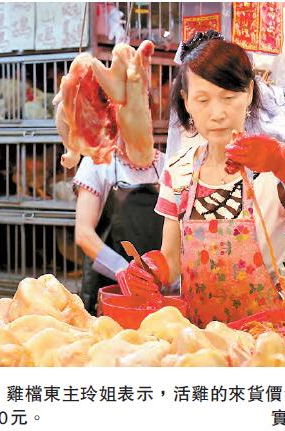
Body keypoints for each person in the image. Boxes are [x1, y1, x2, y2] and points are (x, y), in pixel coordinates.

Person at [117, 31, 285, 328]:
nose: (217, 113)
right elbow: (172, 259)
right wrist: (151, 270)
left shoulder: (271, 165)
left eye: (229, 97)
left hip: (266, 337)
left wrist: (283, 162)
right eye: (203, 99)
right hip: (199, 338)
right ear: (186, 101)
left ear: (249, 93)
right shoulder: (178, 170)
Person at [55, 45, 166, 314]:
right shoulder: (98, 163)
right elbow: (84, 234)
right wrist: (123, 270)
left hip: (159, 289)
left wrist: (168, 275)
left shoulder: (165, 164)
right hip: (108, 290)